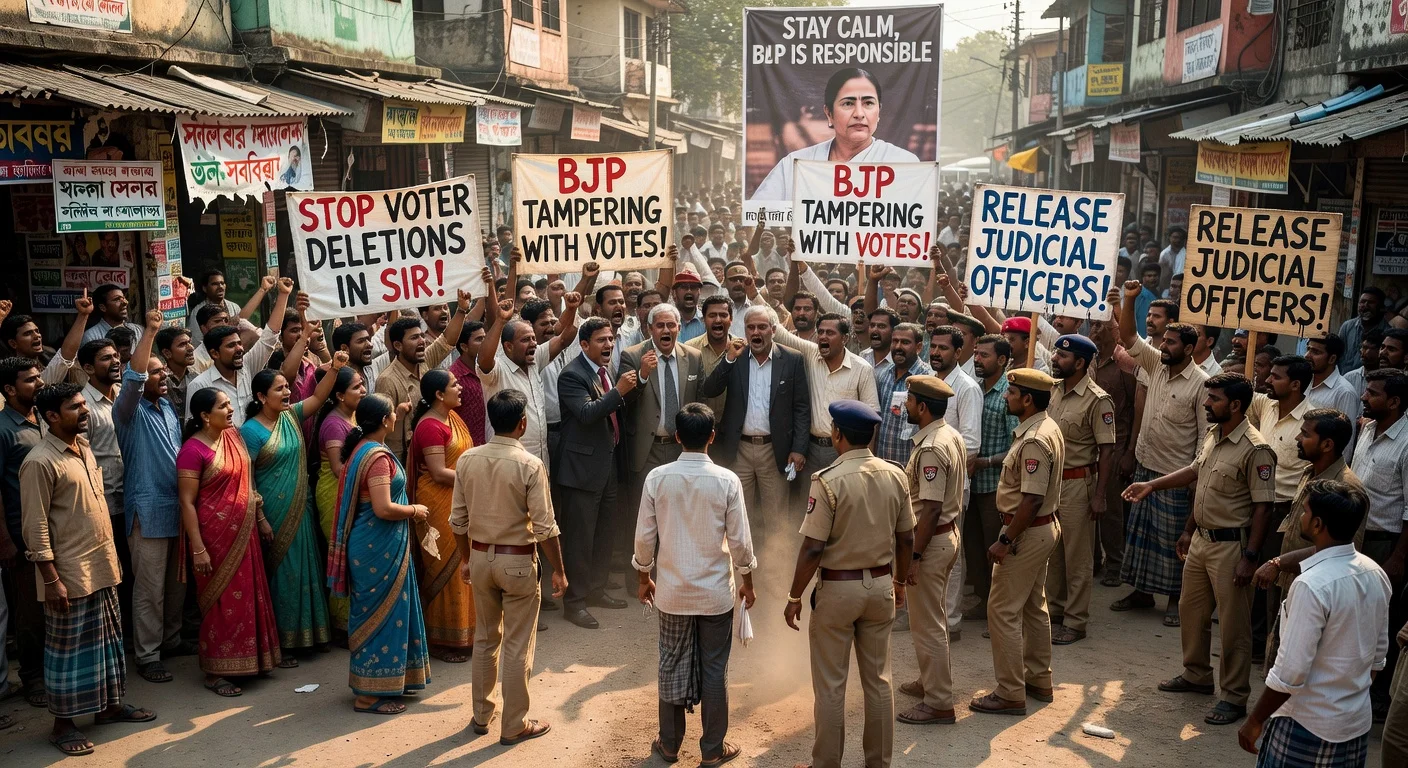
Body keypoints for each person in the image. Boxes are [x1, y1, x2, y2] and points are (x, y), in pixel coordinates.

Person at [1126, 373, 1276, 727]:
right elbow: (1197, 473)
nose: (1207, 404)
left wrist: (1250, 558)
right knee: (1191, 613)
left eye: (1214, 399)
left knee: (1233, 626)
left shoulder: (1257, 449)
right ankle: (1196, 675)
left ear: (1236, 405)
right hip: (1201, 541)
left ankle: (1235, 697)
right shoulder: (1214, 434)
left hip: (1231, 548)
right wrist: (1156, 490)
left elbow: (1263, 508)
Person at [23, 383, 155, 755]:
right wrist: (52, 580)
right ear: (51, 416)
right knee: (68, 653)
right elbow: (35, 528)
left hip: (101, 565)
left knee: (107, 644)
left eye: (84, 405)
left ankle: (109, 708)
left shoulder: (84, 448)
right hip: (68, 573)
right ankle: (62, 725)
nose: (84, 412)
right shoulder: (39, 461)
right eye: (74, 407)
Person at [783, 400, 912, 768]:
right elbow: (906, 538)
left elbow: (812, 548)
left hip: (838, 592)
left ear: (837, 434)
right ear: (872, 434)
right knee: (879, 682)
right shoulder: (895, 475)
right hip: (881, 586)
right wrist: (900, 581)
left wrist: (794, 596)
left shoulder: (828, 481)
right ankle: (878, 763)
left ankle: (826, 764)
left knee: (831, 686)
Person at [635, 402, 756, 765]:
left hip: (672, 593)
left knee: (670, 664)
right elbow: (741, 543)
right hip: (715, 595)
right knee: (715, 669)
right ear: (712, 438)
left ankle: (669, 744)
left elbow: (644, 537)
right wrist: (747, 580)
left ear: (676, 437)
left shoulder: (657, 478)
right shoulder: (727, 481)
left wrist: (644, 576)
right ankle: (713, 749)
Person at [1236, 481, 1389, 767]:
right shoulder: (1376, 574)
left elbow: (1289, 673)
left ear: (1318, 524)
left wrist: (1255, 720)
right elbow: (1377, 662)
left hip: (1306, 724)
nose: (1301, 517)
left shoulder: (1311, 585)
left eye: (1304, 512)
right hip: (1353, 725)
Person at [451, 389, 566, 745]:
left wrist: (467, 559)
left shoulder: (468, 459)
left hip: (481, 557)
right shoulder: (530, 464)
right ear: (522, 424)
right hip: (517, 561)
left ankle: (482, 715)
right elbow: (546, 528)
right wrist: (560, 570)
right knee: (517, 645)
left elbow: (458, 521)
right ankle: (515, 723)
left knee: (485, 639)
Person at [1111, 282, 1210, 626]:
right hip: (1145, 463)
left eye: (1170, 342)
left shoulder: (1202, 384)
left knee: (1172, 541)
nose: (1162, 346)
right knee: (1140, 536)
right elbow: (1128, 336)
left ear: (1189, 347)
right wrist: (1129, 299)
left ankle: (1173, 600)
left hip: (1174, 474)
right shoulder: (1156, 364)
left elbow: (1204, 435)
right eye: (1163, 341)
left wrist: (1194, 476)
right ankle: (1141, 592)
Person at [328, 394, 432, 715]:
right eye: (392, 414)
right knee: (378, 616)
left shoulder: (364, 449)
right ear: (386, 420)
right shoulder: (377, 458)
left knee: (388, 612)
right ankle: (368, 694)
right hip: (376, 547)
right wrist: (415, 510)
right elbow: (383, 508)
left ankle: (388, 681)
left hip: (378, 544)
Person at [241, 349, 348, 661]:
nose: (287, 392)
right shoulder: (250, 431)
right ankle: (283, 642)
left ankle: (312, 634)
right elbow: (245, 478)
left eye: (287, 387)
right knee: (282, 575)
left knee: (307, 569)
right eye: (279, 389)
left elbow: (317, 399)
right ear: (261, 397)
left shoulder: (290, 416)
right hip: (272, 513)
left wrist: (335, 369)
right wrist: (260, 517)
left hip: (302, 507)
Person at [969, 369, 1065, 717]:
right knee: (1032, 607)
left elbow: (1031, 500)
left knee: (1002, 610)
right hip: (1038, 530)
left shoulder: (1035, 439)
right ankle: (1038, 679)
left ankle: (1010, 692)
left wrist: (1006, 540)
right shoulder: (1044, 426)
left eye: (1011, 392)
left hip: (1025, 531)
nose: (1006, 397)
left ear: (1027, 400)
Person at [177, 388, 282, 696]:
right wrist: (198, 548)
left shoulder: (234, 438)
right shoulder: (192, 450)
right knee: (220, 602)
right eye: (223, 406)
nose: (230, 409)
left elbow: (248, 485)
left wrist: (260, 519)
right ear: (204, 416)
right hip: (213, 538)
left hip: (244, 532)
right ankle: (215, 672)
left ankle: (251, 660)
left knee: (247, 595)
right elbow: (186, 503)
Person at [114, 310, 187, 684]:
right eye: (155, 372)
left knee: (176, 588)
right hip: (148, 510)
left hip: (176, 509)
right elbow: (134, 378)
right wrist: (151, 330)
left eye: (161, 372)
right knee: (150, 590)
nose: (160, 376)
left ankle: (171, 642)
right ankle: (147, 655)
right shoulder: (128, 410)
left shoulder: (168, 409)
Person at [698, 305, 810, 543]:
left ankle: (776, 573)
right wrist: (728, 359)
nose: (756, 332)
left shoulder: (792, 359)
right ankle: (739, 571)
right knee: (737, 513)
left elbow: (801, 407)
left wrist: (799, 448)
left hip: (775, 450)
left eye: (762, 327)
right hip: (739, 450)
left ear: (774, 329)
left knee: (776, 516)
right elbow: (709, 389)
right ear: (745, 331)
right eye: (751, 327)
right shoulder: (735, 358)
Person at [555, 318, 636, 629]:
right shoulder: (572, 375)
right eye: (601, 340)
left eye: (611, 339)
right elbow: (588, 413)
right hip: (580, 471)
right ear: (584, 345)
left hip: (607, 467)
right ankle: (574, 603)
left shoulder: (605, 371)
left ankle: (596, 591)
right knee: (579, 539)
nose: (609, 345)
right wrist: (618, 391)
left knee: (605, 534)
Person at [894, 376, 965, 725]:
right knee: (930, 618)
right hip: (942, 537)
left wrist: (914, 559)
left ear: (922, 407)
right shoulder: (946, 434)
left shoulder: (932, 447)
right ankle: (930, 683)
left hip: (931, 541)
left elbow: (932, 507)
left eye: (909, 401)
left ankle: (938, 702)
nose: (905, 405)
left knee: (927, 624)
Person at [752, 67, 920, 205]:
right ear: (829, 113)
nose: (859, 114)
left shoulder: (905, 164)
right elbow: (759, 221)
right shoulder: (794, 165)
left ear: (879, 112)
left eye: (868, 103)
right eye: (848, 103)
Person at [1045, 336, 1117, 646]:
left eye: (1062, 356)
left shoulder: (1098, 399)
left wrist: (1099, 495)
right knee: (1053, 551)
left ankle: (1076, 622)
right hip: (1050, 483)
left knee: (1078, 556)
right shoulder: (1053, 390)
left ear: (1079, 363)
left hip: (1078, 483)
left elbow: (1107, 451)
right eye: (1056, 353)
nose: (1055, 359)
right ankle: (1056, 612)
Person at [406, 370, 475, 663]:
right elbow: (437, 472)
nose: (459, 388)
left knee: (465, 562)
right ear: (438, 394)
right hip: (437, 502)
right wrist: (477, 476)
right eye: (454, 385)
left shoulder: (451, 417)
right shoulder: (430, 426)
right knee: (443, 568)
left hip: (458, 498)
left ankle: (464, 632)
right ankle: (440, 639)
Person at [1352, 368, 1408, 719]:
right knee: (1356, 621)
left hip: (1385, 545)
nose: (1364, 396)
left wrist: (1399, 557)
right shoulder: (1368, 427)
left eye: (1372, 393)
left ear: (1394, 401)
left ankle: (1380, 698)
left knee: (1382, 624)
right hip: (1356, 539)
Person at [773, 310, 879, 492]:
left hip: (846, 451)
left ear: (844, 338)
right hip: (811, 449)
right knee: (811, 504)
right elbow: (780, 334)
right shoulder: (811, 354)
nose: (823, 337)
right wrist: (753, 293)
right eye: (820, 332)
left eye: (830, 333)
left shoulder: (862, 369)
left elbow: (872, 417)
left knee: (842, 504)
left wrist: (865, 460)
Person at [375, 289, 470, 460]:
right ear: (398, 345)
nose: (421, 341)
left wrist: (462, 310)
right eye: (414, 338)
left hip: (434, 451)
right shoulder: (387, 380)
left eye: (421, 336)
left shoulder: (425, 360)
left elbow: (447, 340)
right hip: (405, 461)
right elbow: (384, 432)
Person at [964, 335, 1020, 621]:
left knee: (994, 550)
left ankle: (999, 611)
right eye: (976, 354)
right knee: (972, 548)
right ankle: (985, 602)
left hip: (994, 487)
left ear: (1001, 360)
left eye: (984, 355)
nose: (977, 360)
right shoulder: (973, 388)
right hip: (970, 485)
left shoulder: (1007, 394)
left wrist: (985, 462)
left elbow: (1016, 447)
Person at [0, 357, 45, 708]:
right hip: (21, 533)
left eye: (39, 376)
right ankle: (32, 678)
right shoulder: (3, 429)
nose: (39, 383)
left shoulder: (46, 417)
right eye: (30, 380)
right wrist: (5, 539)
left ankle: (54, 673)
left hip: (52, 530)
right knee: (29, 613)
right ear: (9, 390)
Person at [187, 276, 291, 426]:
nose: (239, 349)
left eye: (239, 344)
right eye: (231, 346)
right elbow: (193, 427)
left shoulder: (247, 367)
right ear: (214, 353)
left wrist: (283, 295)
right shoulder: (199, 385)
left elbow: (269, 338)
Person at [314, 366, 363, 643]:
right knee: (342, 558)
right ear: (340, 396)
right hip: (335, 494)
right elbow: (337, 468)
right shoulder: (334, 423)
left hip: (350, 492)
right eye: (357, 387)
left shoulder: (350, 416)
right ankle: (343, 626)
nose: (363, 391)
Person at [1088, 317, 1137, 587]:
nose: (1094, 330)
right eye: (1092, 325)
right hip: (1089, 445)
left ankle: (1115, 564)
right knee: (1087, 505)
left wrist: (1130, 451)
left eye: (1100, 326)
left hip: (1117, 444)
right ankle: (1094, 560)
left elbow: (1134, 407)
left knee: (1111, 509)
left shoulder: (1124, 365)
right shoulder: (1088, 361)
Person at [685, 295, 737, 418]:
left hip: (732, 427)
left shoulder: (741, 349)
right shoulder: (690, 349)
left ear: (731, 320)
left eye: (723, 315)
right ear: (704, 320)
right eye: (712, 315)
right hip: (700, 424)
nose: (718, 320)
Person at [186, 270, 240, 350]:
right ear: (205, 288)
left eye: (222, 283)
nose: (220, 287)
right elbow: (196, 342)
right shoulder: (197, 312)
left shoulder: (234, 307)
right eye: (215, 284)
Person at [1338, 287, 1388, 373]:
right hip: (1343, 380)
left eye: (1371, 302)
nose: (1365, 305)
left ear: (1380, 306)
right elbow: (1338, 354)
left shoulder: (1387, 332)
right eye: (1362, 302)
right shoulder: (1347, 327)